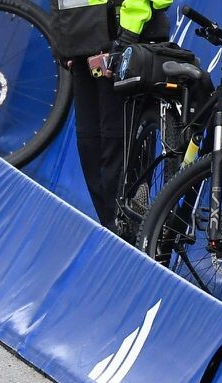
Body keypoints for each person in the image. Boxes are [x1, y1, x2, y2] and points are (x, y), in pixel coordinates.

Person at [49, 0, 172, 238]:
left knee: (118, 153)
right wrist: (62, 42)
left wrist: (127, 35)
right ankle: (117, 235)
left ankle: (131, 239)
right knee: (91, 150)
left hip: (127, 37)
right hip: (81, 42)